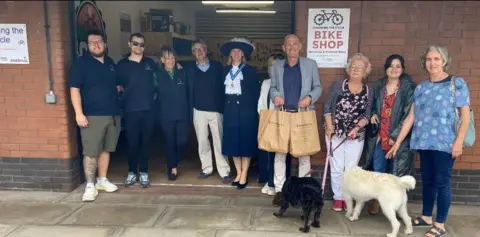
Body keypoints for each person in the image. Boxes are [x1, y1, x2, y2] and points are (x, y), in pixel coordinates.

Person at [386, 45, 471, 237]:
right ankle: (426, 217)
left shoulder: (456, 83)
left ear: (444, 61)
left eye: (437, 59)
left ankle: (439, 224)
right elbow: (411, 117)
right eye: (429, 59)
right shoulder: (422, 88)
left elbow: (465, 117)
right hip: (423, 142)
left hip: (445, 144)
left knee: (442, 182)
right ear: (424, 62)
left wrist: (459, 142)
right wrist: (397, 142)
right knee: (428, 181)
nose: (432, 63)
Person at [270, 34, 323, 205]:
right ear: (284, 48)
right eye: (288, 44)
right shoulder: (277, 66)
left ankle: (303, 191)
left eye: (295, 44)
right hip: (283, 115)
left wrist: (309, 97)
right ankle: (279, 191)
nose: (292, 47)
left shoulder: (310, 64)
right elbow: (273, 88)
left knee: (304, 155)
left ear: (300, 46)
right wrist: (276, 96)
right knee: (279, 153)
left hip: (303, 116)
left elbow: (318, 87)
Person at [68, 29, 121, 202]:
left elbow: (116, 85)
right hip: (92, 116)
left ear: (105, 43)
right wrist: (79, 113)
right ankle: (90, 185)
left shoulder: (110, 62)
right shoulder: (81, 64)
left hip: (112, 114)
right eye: (92, 42)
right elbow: (74, 89)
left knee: (106, 149)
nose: (96, 45)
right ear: (87, 45)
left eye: (99, 42)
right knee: (91, 152)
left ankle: (102, 180)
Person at [363, 54, 416, 214]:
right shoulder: (379, 86)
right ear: (386, 68)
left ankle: (399, 208)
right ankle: (377, 201)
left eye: (398, 66)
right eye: (391, 66)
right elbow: (372, 105)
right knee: (378, 171)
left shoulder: (409, 88)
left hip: (399, 138)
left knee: (397, 174)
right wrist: (372, 113)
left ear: (403, 69)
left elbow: (409, 115)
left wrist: (395, 136)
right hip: (379, 137)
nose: (394, 69)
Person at [323, 53, 374, 211]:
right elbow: (327, 107)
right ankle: (338, 198)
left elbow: (367, 115)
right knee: (337, 167)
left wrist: (357, 127)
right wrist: (330, 126)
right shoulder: (339, 84)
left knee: (350, 169)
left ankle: (348, 197)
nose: (356, 69)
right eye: (353, 66)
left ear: (366, 70)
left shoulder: (368, 91)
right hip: (335, 132)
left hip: (355, 135)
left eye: (360, 67)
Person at [185, 39, 231, 184]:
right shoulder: (189, 68)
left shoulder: (217, 66)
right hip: (198, 110)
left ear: (206, 49)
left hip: (216, 110)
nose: (198, 52)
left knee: (219, 140)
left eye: (200, 49)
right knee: (202, 141)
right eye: (194, 50)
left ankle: (224, 170)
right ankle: (207, 168)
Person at [116, 33, 157, 188]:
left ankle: (144, 172)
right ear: (129, 44)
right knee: (132, 143)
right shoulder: (121, 65)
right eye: (135, 43)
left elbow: (159, 79)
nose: (138, 47)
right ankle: (132, 171)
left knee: (146, 143)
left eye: (141, 44)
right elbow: (116, 86)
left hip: (148, 109)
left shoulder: (150, 63)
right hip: (131, 110)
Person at [219, 37, 261, 189]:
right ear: (230, 54)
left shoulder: (250, 71)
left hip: (246, 112)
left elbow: (256, 93)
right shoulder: (224, 71)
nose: (236, 54)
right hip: (230, 111)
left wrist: (253, 111)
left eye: (239, 51)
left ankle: (244, 174)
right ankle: (238, 172)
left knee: (245, 142)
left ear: (243, 54)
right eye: (233, 51)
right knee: (233, 143)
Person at [257, 53, 292, 196]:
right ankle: (271, 181)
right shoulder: (266, 83)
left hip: (283, 122)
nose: (273, 68)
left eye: (277, 65)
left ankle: (282, 183)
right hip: (268, 121)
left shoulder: (287, 82)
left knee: (283, 154)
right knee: (270, 154)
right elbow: (261, 102)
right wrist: (263, 116)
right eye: (271, 65)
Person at [155, 46, 191, 181]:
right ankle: (173, 168)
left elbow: (188, 92)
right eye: (167, 58)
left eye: (172, 58)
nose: (170, 61)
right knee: (170, 142)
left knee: (181, 141)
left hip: (181, 114)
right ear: (162, 60)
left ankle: (175, 159)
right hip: (166, 115)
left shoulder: (182, 73)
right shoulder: (157, 75)